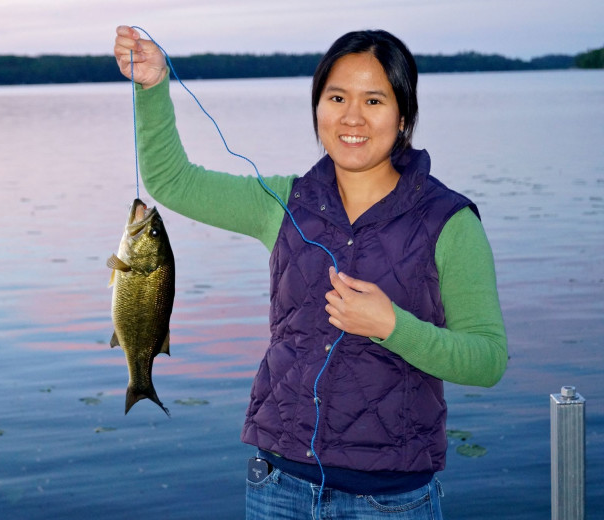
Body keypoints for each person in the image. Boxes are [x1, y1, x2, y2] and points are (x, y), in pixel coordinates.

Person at [113, 25, 507, 520]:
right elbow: (171, 181)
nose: (352, 117)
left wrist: (392, 327)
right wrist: (152, 87)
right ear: (317, 108)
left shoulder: (449, 222)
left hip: (390, 501)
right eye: (337, 96)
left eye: (375, 101)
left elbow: (488, 360)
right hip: (279, 487)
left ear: (403, 116)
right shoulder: (282, 202)